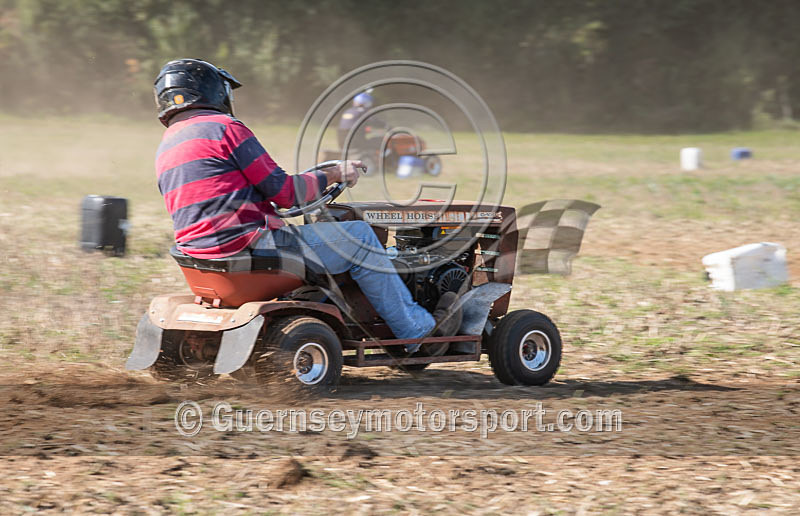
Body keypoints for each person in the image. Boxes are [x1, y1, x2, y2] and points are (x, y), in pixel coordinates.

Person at [153, 59, 460, 348]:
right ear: (213, 90)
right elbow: (286, 193)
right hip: (249, 252)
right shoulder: (225, 128)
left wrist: (316, 179)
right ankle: (417, 330)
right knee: (361, 237)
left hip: (206, 264)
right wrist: (335, 173)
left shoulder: (167, 145)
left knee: (318, 238)